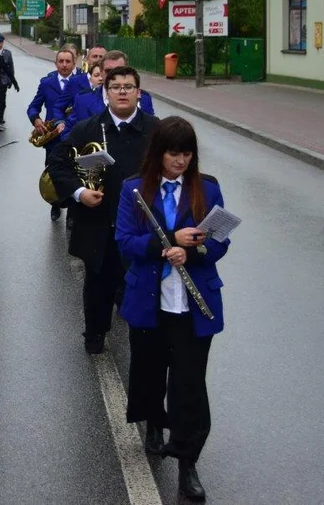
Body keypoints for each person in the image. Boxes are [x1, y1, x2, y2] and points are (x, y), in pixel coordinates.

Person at [116, 116, 228, 501]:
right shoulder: (134, 189)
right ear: (158, 153)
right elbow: (125, 241)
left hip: (194, 305)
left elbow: (220, 242)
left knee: (189, 385)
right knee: (149, 371)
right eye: (172, 153)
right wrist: (165, 245)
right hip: (149, 299)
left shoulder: (207, 189)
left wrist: (193, 250)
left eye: (186, 154)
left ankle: (187, 460)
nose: (179, 161)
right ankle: (152, 420)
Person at [48, 66, 158, 355]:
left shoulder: (156, 130)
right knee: (98, 283)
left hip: (141, 225)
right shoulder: (87, 128)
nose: (122, 91)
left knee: (140, 283)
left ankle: (144, 335)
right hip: (99, 222)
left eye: (128, 86)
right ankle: (95, 333)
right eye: (115, 87)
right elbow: (58, 164)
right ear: (105, 93)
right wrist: (79, 192)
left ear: (139, 93)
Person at [27, 49, 78, 221]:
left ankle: (72, 211)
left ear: (74, 63)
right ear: (56, 63)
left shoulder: (81, 83)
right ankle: (55, 204)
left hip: (75, 134)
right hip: (53, 138)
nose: (64, 65)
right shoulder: (47, 83)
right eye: (61, 61)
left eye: (68, 61)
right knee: (54, 171)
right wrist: (36, 119)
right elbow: (33, 106)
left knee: (76, 171)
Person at [65, 50, 156, 135]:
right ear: (101, 72)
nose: (113, 74)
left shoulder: (143, 99)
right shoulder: (83, 100)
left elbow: (152, 132)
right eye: (108, 71)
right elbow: (69, 133)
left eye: (119, 70)